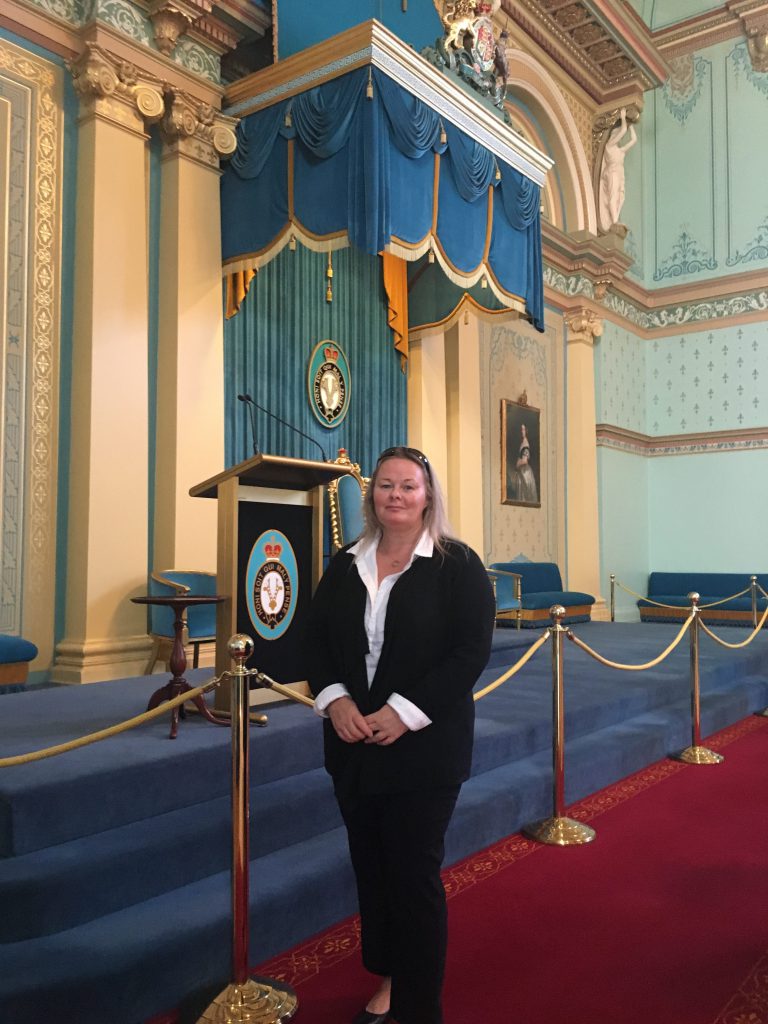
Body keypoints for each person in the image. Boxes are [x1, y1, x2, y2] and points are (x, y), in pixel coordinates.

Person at [306, 446, 494, 1024]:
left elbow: (469, 654)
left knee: (413, 875)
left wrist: (403, 712)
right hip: (353, 743)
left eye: (408, 486)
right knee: (372, 867)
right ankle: (390, 971)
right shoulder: (345, 562)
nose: (395, 495)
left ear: (428, 495)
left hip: (425, 749)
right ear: (372, 496)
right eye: (385, 485)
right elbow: (316, 642)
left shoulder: (457, 564)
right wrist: (334, 701)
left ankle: (418, 1006)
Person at [598, 107, 637, 232]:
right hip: (612, 172)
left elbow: (634, 140)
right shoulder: (609, 146)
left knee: (621, 197)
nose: (619, 137)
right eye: (617, 134)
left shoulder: (620, 151)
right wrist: (624, 119)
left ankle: (614, 219)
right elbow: (623, 130)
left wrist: (630, 125)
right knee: (613, 196)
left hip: (619, 173)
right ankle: (614, 221)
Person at [515, 423, 538, 504]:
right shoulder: (522, 442)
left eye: (523, 429)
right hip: (521, 471)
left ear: (526, 431)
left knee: (525, 496)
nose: (522, 431)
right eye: (521, 429)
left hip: (525, 473)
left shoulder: (525, 443)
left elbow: (525, 461)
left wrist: (517, 464)